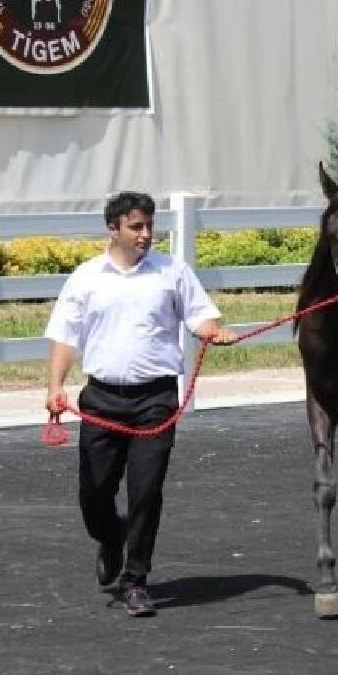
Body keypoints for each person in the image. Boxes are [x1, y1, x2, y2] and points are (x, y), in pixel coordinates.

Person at [44, 191, 238, 617]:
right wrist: (55, 386)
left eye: (150, 226)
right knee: (93, 495)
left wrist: (213, 332)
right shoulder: (86, 277)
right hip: (101, 398)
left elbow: (200, 315)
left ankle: (135, 579)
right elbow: (64, 336)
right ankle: (111, 537)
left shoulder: (172, 272)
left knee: (146, 492)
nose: (146, 234)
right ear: (113, 228)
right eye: (136, 227)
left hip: (156, 399)